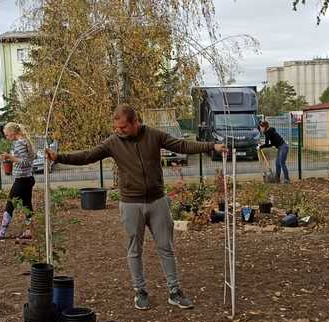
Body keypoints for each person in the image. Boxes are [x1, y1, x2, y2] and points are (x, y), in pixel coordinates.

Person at [46, 104, 227, 310]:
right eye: (116, 127)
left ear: (135, 122)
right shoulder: (113, 143)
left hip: (157, 201)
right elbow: (88, 156)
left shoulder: (154, 136)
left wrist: (211, 146)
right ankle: (140, 291)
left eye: (123, 127)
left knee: (166, 247)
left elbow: (182, 146)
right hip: (130, 203)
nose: (119, 131)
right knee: (134, 249)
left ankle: (174, 291)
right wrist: (59, 157)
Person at [0, 122, 36, 241]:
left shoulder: (19, 143)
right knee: (27, 204)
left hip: (21, 180)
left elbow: (25, 162)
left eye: (7, 135)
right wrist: (9, 157)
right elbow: (27, 160)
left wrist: (10, 157)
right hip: (28, 178)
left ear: (13, 133)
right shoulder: (25, 141)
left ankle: (2, 233)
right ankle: (29, 231)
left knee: (10, 204)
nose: (7, 138)